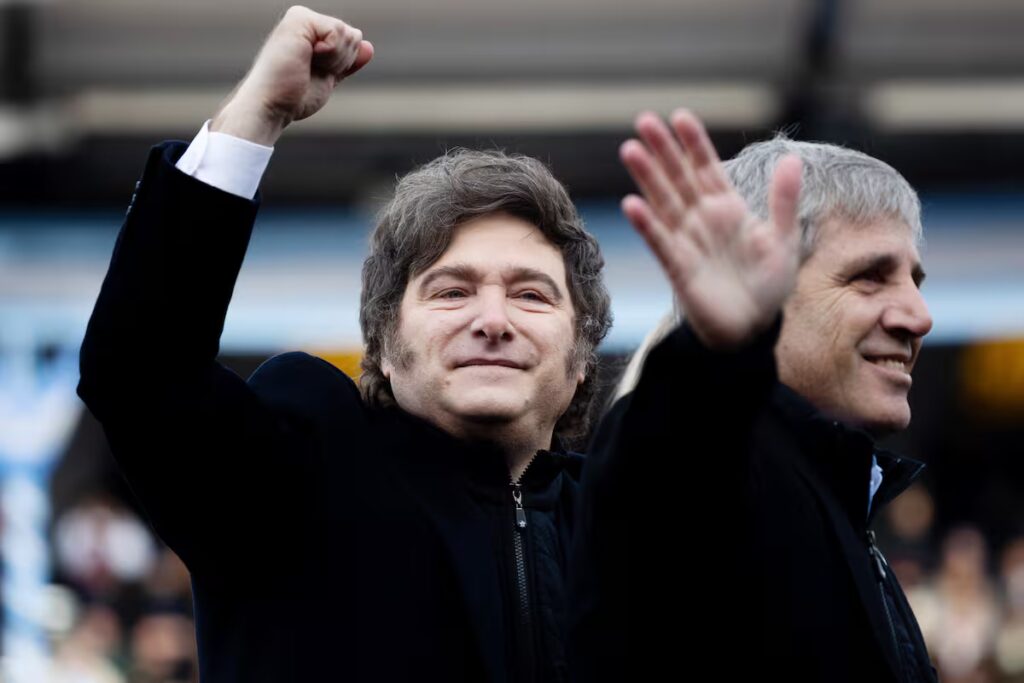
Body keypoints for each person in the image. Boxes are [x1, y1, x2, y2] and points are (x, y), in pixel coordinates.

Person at [76, 7, 611, 682]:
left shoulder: (627, 526)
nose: (493, 319)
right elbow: (139, 369)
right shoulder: (303, 468)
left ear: (582, 354)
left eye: (531, 295)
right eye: (452, 292)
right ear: (383, 344)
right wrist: (258, 114)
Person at [567, 110, 939, 682]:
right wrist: (716, 353)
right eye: (869, 277)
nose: (919, 316)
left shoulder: (837, 486)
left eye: (914, 281)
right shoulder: (707, 463)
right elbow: (672, 466)